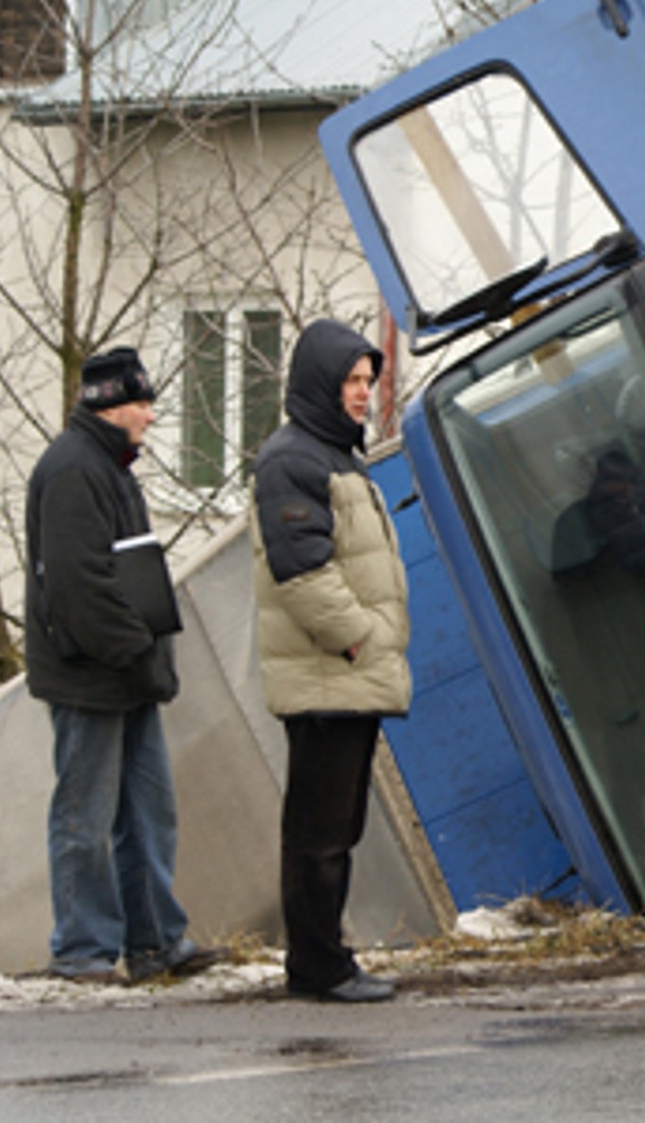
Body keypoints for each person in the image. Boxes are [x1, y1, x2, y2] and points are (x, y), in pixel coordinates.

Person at [25, 347, 225, 984]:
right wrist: (138, 650)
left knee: (147, 811)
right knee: (85, 814)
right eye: (142, 402)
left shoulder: (106, 466)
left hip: (125, 672)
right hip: (93, 675)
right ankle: (82, 949)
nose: (150, 414)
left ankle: (156, 941)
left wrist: (144, 658)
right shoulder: (74, 472)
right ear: (112, 405)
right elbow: (80, 588)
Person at [250, 319, 410, 1003]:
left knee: (338, 828)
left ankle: (327, 958)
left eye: (367, 381)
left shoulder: (336, 455)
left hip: (347, 676)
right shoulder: (294, 459)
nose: (362, 394)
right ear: (319, 380)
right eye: (350, 380)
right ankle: (317, 968)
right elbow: (304, 573)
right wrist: (361, 640)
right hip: (327, 675)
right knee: (318, 833)